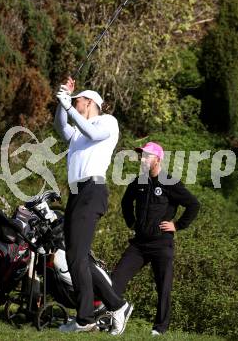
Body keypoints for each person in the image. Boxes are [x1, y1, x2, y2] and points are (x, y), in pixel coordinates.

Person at [54, 77, 133, 334]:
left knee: (76, 256)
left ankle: (86, 318)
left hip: (92, 190)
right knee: (77, 256)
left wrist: (68, 107)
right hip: (77, 193)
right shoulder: (78, 128)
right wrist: (62, 101)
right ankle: (115, 306)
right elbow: (61, 128)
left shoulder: (107, 122)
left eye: (77, 101)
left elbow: (92, 132)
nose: (74, 104)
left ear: (89, 102)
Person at [111, 142, 200, 336]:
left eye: (146, 156)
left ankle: (159, 328)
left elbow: (193, 204)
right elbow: (126, 202)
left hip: (162, 244)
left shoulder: (170, 182)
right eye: (141, 156)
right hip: (139, 244)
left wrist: (177, 225)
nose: (142, 159)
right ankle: (113, 320)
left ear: (157, 159)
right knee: (116, 279)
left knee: (163, 286)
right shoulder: (138, 181)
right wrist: (131, 222)